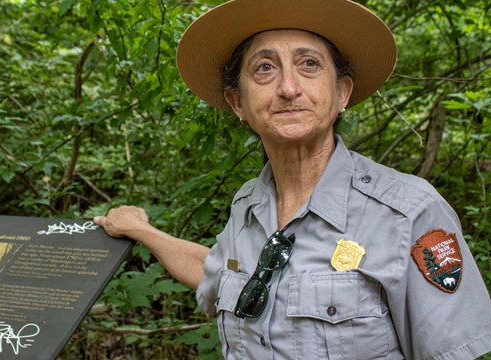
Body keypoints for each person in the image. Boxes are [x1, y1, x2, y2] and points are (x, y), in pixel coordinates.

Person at [93, 0, 491, 358]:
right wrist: (140, 230)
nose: (287, 87)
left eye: (309, 64)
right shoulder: (249, 204)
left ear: (341, 93)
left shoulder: (409, 212)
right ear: (238, 103)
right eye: (264, 68)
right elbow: (215, 271)